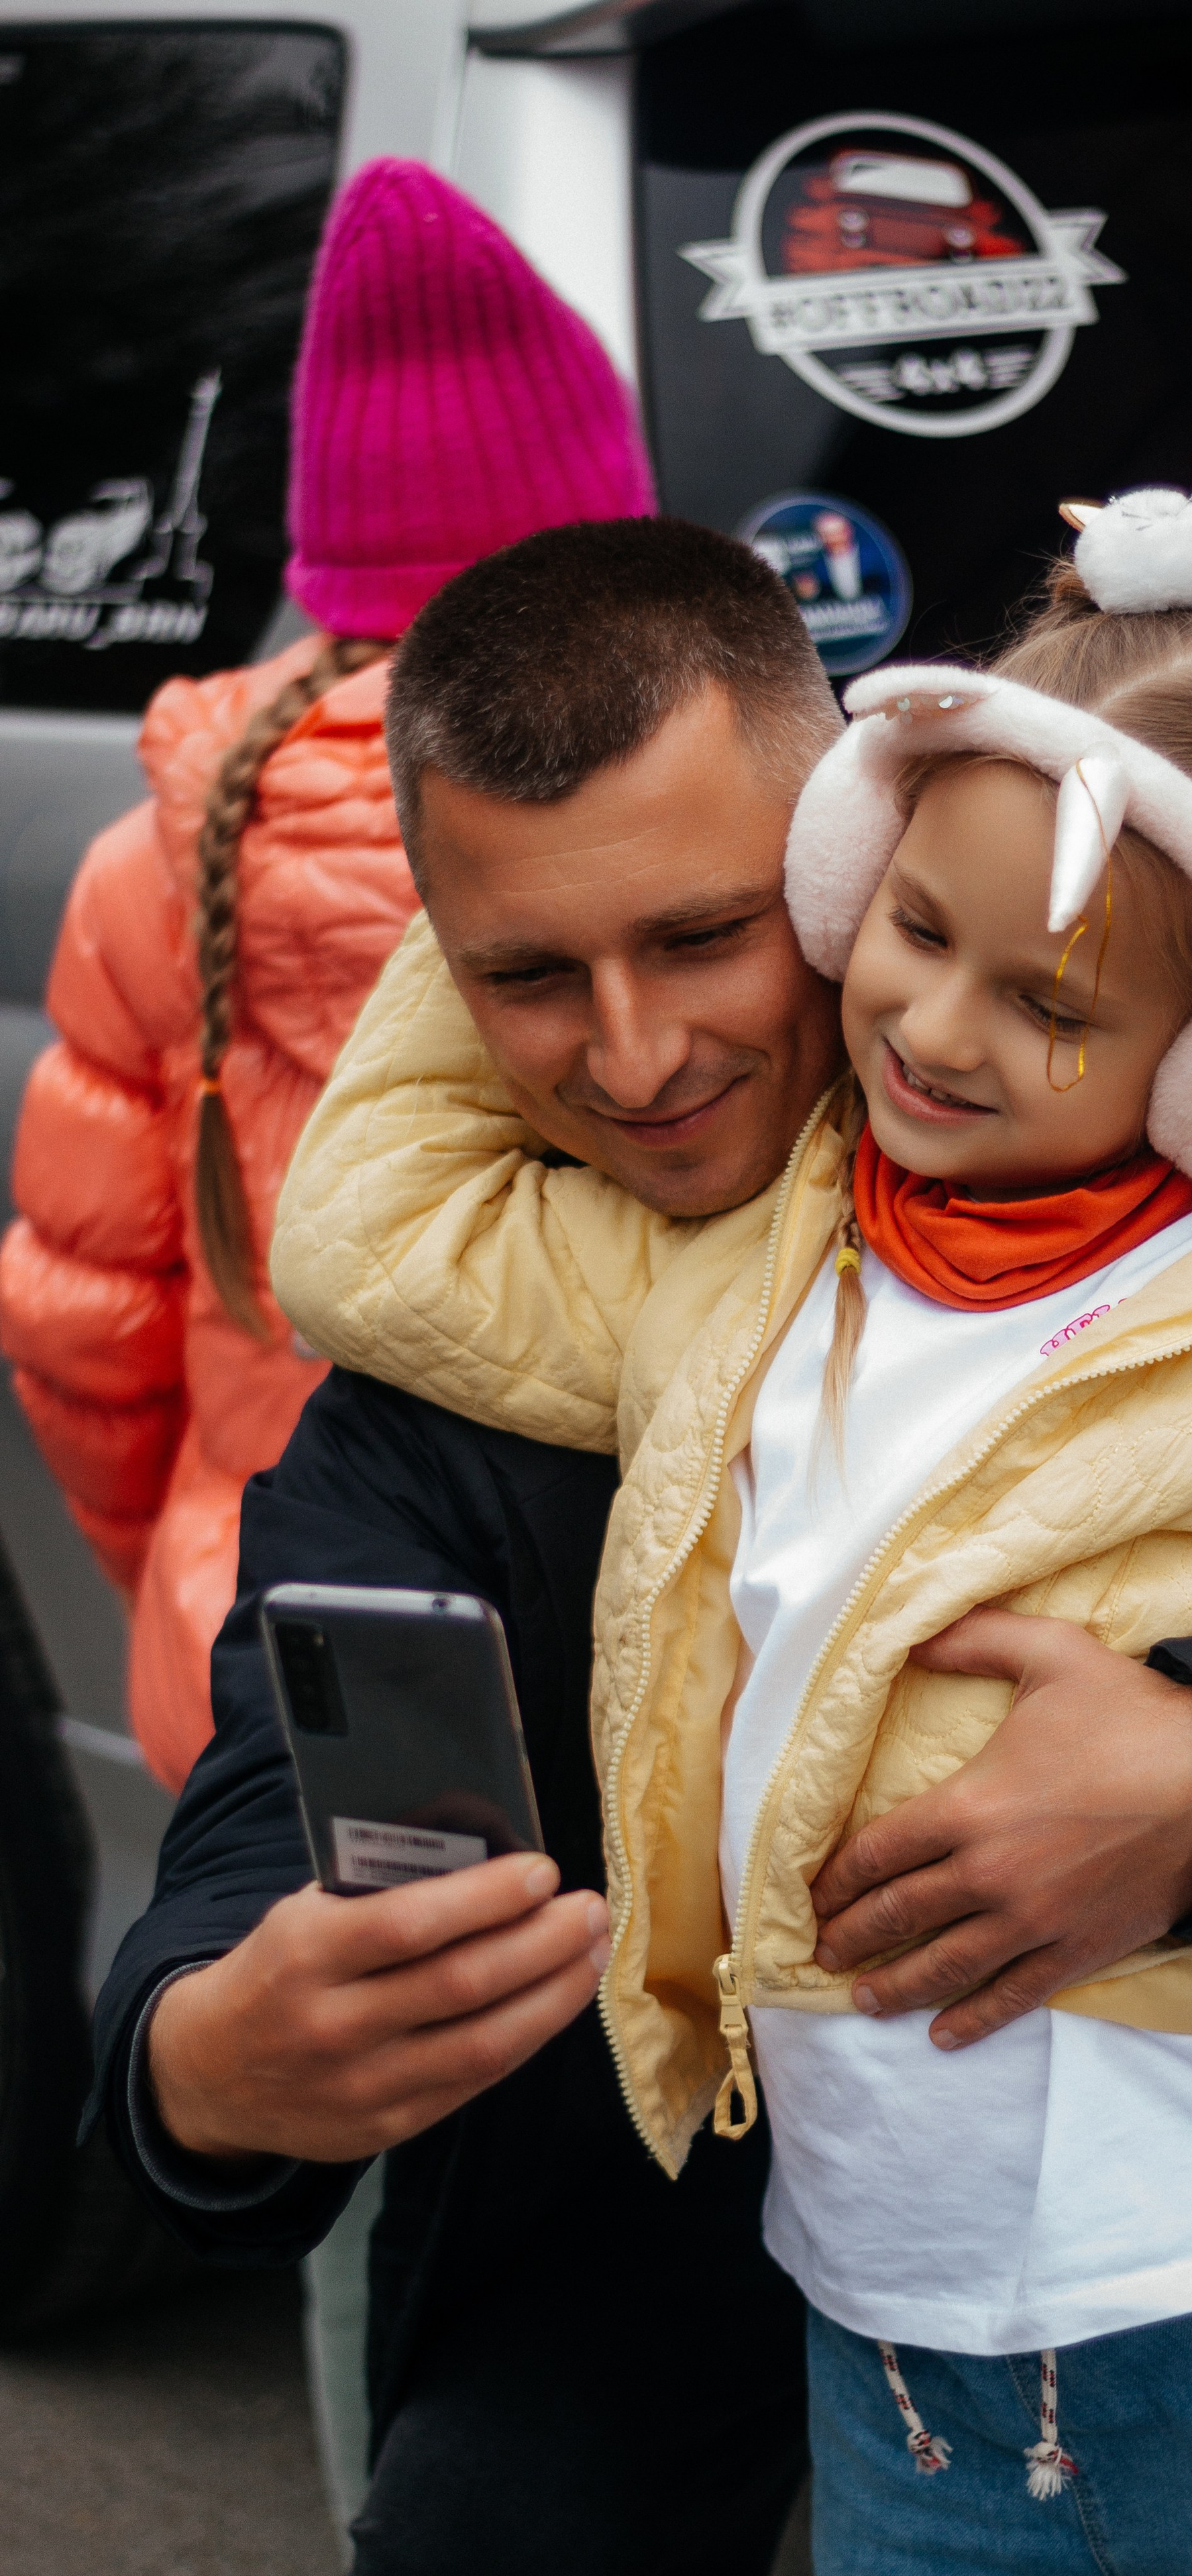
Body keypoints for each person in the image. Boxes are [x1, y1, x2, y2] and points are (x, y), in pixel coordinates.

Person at [97, 515, 1192, 2576]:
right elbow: (277, 1796)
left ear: (832, 863)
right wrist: (198, 2054)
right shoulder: (544, 1332)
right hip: (740, 2268)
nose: (641, 1055)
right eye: (526, 970)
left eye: (698, 933)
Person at [0, 154, 653, 1788]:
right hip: (657, 1631)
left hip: (299, 1663)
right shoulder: (714, 824)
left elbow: (88, 1336)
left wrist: (183, 1578)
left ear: (326, 555)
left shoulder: (162, 857)